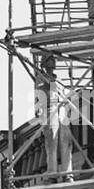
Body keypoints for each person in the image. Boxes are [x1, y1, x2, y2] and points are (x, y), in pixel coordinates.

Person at [35, 53, 73, 182]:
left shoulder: (58, 81)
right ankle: (52, 172)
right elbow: (39, 96)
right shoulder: (41, 80)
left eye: (53, 59)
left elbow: (65, 96)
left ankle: (68, 172)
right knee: (52, 141)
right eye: (50, 60)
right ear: (45, 63)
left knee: (65, 140)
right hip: (49, 109)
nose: (53, 62)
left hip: (61, 108)